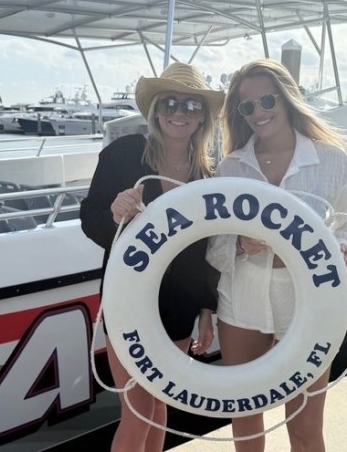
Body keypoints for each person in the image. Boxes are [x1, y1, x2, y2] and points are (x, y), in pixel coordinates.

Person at [206, 58, 347, 452]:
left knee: (306, 429)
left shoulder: (332, 161)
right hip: (241, 302)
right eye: (247, 107)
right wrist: (240, 245)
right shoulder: (230, 168)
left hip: (307, 304)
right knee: (246, 429)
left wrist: (343, 247)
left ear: (287, 98)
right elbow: (210, 244)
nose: (259, 112)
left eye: (267, 100)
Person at [79, 62, 225, 452]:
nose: (180, 113)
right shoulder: (122, 155)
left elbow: (204, 252)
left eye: (191, 106)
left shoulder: (205, 178)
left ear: (202, 118)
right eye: (171, 103)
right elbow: (91, 221)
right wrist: (114, 214)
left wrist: (206, 311)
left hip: (178, 308)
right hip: (129, 300)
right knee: (138, 412)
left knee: (159, 405)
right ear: (156, 109)